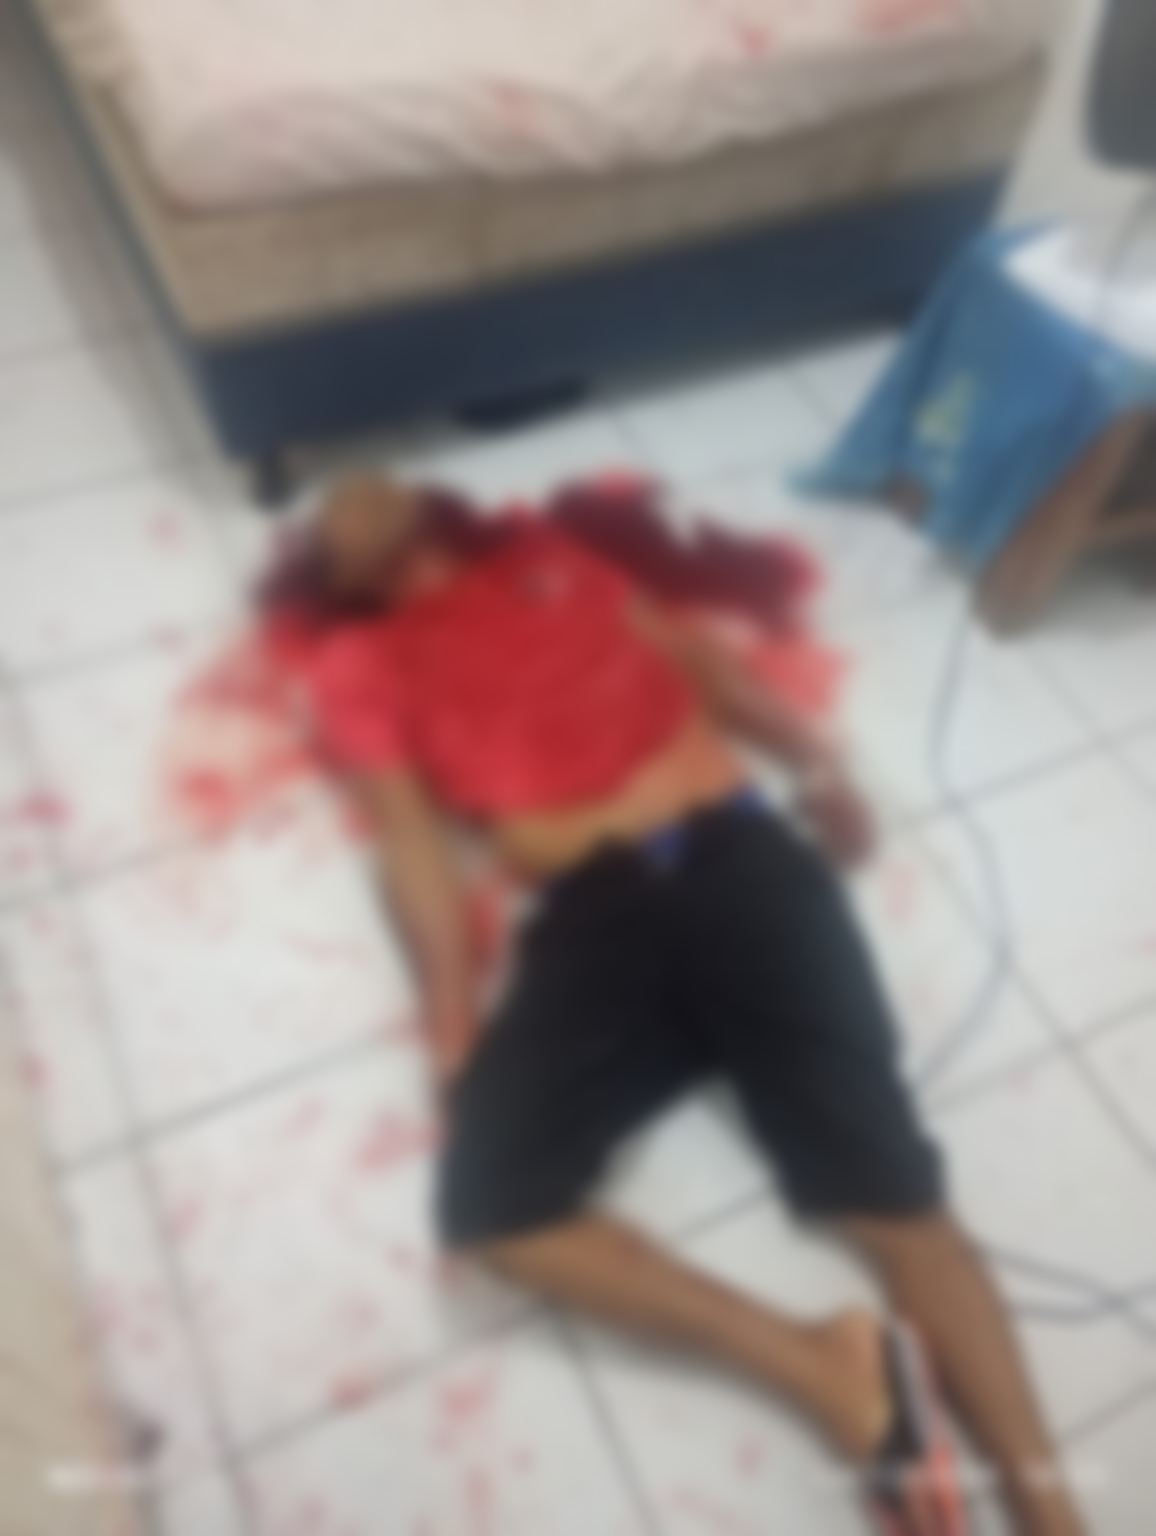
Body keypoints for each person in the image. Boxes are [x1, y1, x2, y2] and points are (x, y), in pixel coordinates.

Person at [263, 475, 1086, 1536]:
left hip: (741, 860)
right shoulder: (356, 662)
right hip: (594, 916)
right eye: (332, 509)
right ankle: (825, 1368)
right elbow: (412, 850)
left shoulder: (541, 556)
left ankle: (1056, 1515)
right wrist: (455, 1030)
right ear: (331, 576)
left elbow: (696, 661)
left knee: (894, 1193)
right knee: (494, 1208)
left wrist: (814, 762)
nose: (358, 496)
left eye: (373, 482)